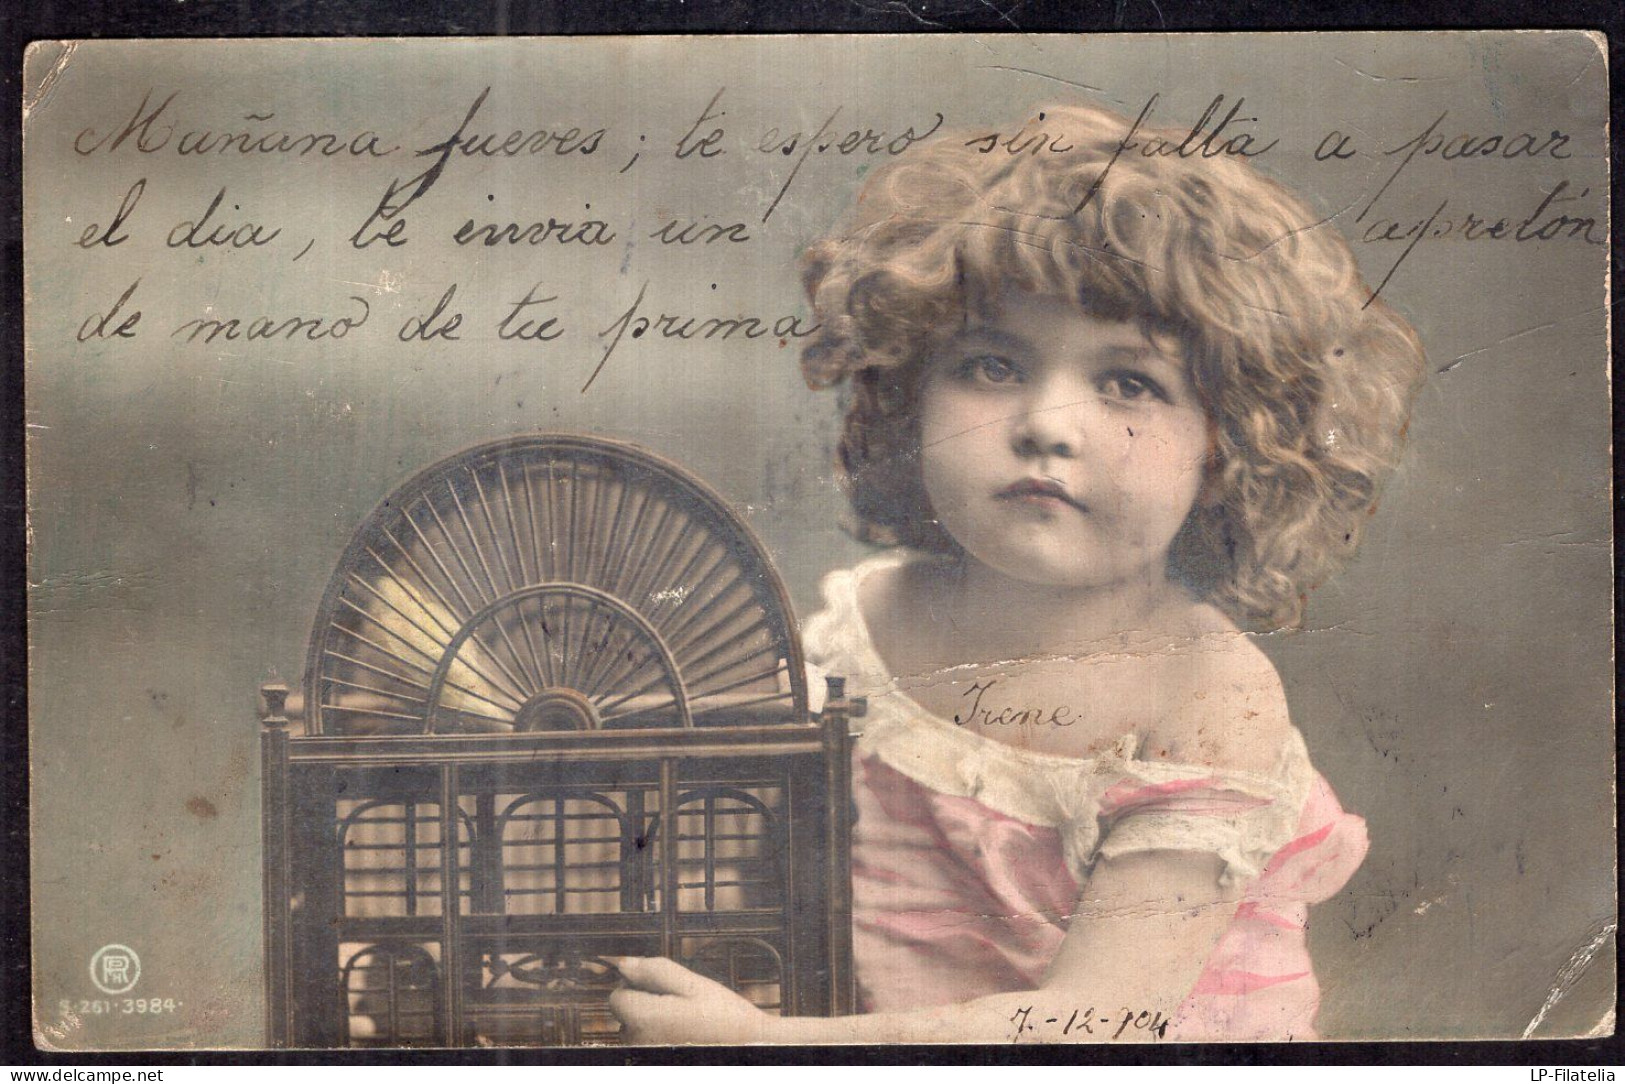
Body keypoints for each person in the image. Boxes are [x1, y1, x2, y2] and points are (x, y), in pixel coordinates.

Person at [608, 101, 1426, 1043]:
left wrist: (766, 1050)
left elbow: (1099, 1023)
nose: (1046, 424)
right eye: (992, 366)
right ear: (911, 396)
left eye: (1128, 384)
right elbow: (720, 839)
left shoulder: (1206, 699)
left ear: (1225, 447)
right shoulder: (860, 622)